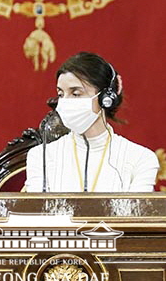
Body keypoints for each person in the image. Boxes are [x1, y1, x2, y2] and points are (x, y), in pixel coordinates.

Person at [24, 52, 159, 192]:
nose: (65, 103)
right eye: (61, 94)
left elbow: (139, 213)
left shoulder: (141, 159)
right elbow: (38, 212)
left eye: (76, 94)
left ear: (105, 99)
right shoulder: (41, 156)